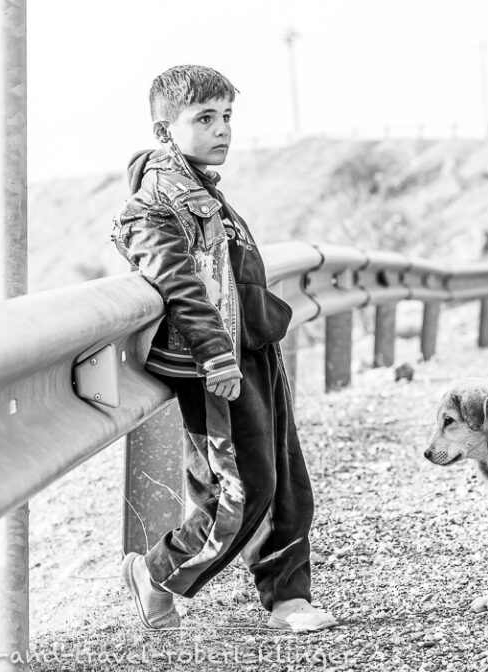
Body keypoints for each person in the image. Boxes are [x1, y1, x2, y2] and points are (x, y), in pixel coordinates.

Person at [111, 65, 336, 632]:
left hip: (253, 348)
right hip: (214, 362)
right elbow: (182, 287)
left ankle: (288, 597)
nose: (223, 130)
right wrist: (216, 357)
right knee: (243, 487)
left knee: (286, 480)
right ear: (165, 131)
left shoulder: (201, 187)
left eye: (227, 117)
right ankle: (157, 573)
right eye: (205, 118)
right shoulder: (153, 205)